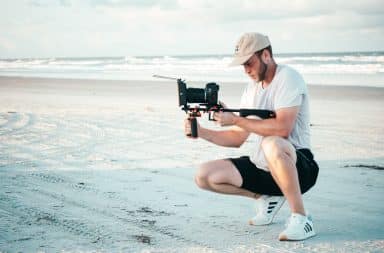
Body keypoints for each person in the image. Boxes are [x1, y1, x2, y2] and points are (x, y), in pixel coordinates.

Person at [184, 32, 319, 241]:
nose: (246, 70)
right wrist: (201, 132)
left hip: (299, 167)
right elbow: (237, 139)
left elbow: (283, 128)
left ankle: (302, 218)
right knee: (203, 175)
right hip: (263, 168)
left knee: (272, 143)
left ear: (266, 55)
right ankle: (266, 198)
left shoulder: (288, 78)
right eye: (243, 65)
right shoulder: (251, 89)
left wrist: (236, 119)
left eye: (249, 63)